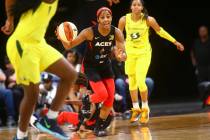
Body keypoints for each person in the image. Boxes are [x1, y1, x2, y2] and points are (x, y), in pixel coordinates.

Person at [1, 0, 77, 139]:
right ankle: (20, 136)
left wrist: (10, 20)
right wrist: (10, 19)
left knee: (70, 74)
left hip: (38, 44)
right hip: (22, 45)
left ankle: (50, 120)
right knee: (32, 95)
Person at [57, 7, 126, 136]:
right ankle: (87, 100)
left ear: (111, 17)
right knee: (102, 94)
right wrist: (62, 37)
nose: (106, 19)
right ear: (98, 20)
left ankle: (98, 128)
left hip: (105, 67)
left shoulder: (116, 33)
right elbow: (69, 46)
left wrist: (121, 56)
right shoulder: (89, 32)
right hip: (90, 67)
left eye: (108, 16)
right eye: (103, 17)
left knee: (109, 99)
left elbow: (122, 54)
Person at [118, 0, 184, 124]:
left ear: (142, 7)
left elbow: (160, 31)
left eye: (139, 4)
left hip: (144, 53)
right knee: (132, 81)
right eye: (134, 4)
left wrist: (175, 42)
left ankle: (145, 108)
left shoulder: (149, 20)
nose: (136, 6)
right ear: (131, 7)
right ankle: (136, 109)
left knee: (141, 81)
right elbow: (118, 36)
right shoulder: (124, 20)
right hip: (130, 54)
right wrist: (120, 52)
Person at [191, 25, 210, 107]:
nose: (202, 32)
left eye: (204, 30)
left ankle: (209, 101)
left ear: (207, 31)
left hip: (209, 66)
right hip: (200, 67)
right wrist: (194, 63)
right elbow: (192, 53)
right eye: (200, 31)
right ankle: (204, 101)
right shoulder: (196, 42)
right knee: (201, 85)